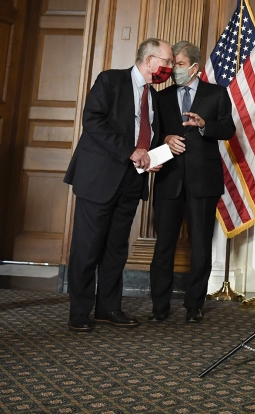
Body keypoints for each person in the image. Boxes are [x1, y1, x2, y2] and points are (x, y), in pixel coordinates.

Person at [64, 38, 173, 331]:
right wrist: (131, 151)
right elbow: (93, 121)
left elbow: (146, 134)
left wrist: (151, 156)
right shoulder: (110, 80)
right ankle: (79, 310)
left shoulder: (154, 96)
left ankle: (108, 307)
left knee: (116, 248)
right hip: (99, 177)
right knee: (88, 246)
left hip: (132, 179)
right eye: (167, 61)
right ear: (149, 60)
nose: (170, 68)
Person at [148, 41, 235, 323]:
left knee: (200, 245)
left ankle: (194, 305)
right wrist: (164, 139)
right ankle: (159, 307)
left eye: (181, 65)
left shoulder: (217, 94)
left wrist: (204, 126)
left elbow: (228, 130)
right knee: (164, 246)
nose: (175, 70)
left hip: (203, 181)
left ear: (195, 67)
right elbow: (151, 134)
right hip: (168, 180)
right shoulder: (161, 97)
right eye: (173, 65)